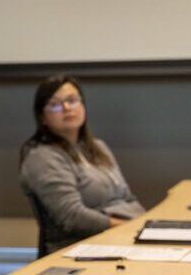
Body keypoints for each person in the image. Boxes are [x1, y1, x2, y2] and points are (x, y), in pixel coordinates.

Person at [19, 75, 145, 254]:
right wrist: (127, 228)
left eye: (72, 100)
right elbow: (72, 216)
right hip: (79, 249)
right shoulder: (42, 157)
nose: (67, 108)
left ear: (83, 105)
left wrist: (146, 226)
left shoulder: (98, 147)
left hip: (121, 239)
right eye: (55, 104)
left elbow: (127, 198)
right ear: (43, 118)